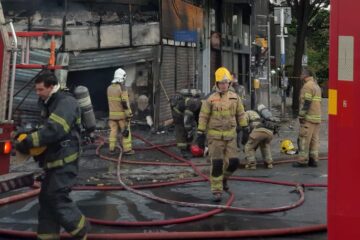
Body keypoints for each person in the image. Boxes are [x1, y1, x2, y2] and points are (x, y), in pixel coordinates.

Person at [14, 70, 89, 239]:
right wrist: (26, 134)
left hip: (65, 162)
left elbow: (54, 129)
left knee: (57, 198)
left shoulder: (66, 102)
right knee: (47, 202)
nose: (37, 93)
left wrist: (29, 142)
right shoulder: (50, 103)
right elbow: (45, 128)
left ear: (52, 87)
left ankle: (81, 232)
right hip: (53, 162)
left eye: (40, 90)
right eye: (37, 90)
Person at [196, 67, 248, 202]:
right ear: (217, 83)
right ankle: (217, 190)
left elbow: (241, 114)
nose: (224, 85)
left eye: (226, 82)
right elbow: (203, 116)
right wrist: (200, 132)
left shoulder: (235, 97)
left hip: (230, 137)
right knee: (217, 164)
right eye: (221, 82)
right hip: (215, 137)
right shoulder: (210, 99)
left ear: (229, 83)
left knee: (234, 162)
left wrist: (245, 128)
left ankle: (224, 179)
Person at [293, 68, 322, 167]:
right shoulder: (316, 85)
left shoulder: (307, 86)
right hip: (316, 118)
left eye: (302, 73)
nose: (300, 75)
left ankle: (302, 161)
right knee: (314, 140)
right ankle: (313, 160)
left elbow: (307, 102)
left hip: (308, 119)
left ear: (306, 75)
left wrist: (301, 115)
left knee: (304, 139)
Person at [107, 68, 135, 155]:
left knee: (113, 132)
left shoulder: (109, 88)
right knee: (126, 132)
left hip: (112, 116)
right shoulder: (122, 89)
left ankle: (111, 149)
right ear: (122, 78)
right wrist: (129, 114)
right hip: (122, 116)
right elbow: (125, 103)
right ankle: (127, 150)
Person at [170, 89, 203, 158]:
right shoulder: (192, 105)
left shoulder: (197, 103)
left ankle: (188, 147)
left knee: (188, 131)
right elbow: (186, 120)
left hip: (182, 112)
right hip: (178, 115)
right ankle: (183, 151)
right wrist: (189, 131)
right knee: (181, 130)